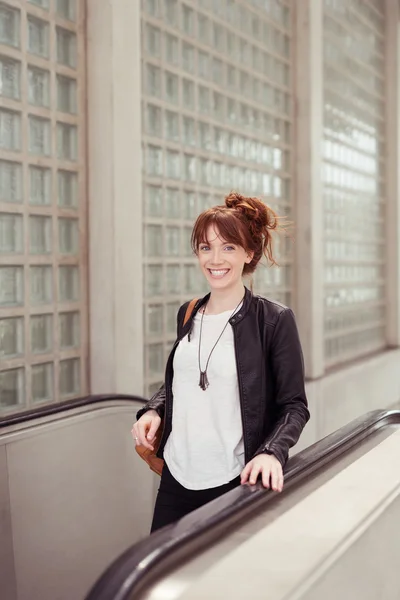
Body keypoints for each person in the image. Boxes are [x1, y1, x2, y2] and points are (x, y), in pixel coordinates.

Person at [132, 191, 310, 532]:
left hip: (234, 479)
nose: (215, 258)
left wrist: (272, 452)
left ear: (249, 252)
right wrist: (154, 409)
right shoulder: (187, 313)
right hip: (176, 476)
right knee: (164, 577)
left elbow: (294, 406)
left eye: (228, 246)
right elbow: (184, 382)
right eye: (205, 247)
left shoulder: (272, 321)